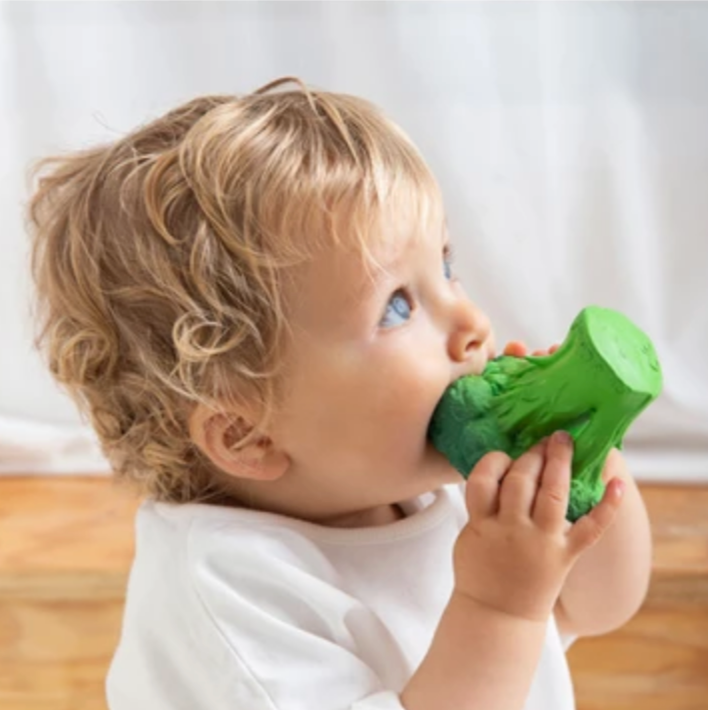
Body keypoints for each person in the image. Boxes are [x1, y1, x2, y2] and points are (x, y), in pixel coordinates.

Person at [27, 77, 652, 710]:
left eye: (445, 266)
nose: (472, 326)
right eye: (397, 307)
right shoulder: (231, 591)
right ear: (249, 433)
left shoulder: (425, 492)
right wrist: (500, 607)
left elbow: (593, 607)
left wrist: (586, 459)